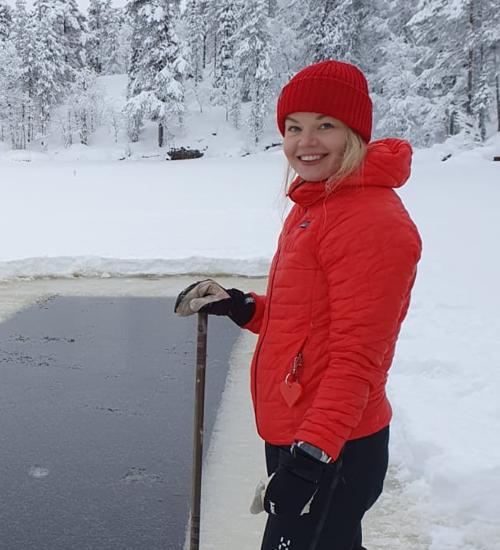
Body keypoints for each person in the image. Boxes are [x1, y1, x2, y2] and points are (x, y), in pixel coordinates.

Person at [174, 60, 422, 550]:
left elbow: (358, 360)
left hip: (334, 447)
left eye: (325, 126)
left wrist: (310, 458)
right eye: (294, 127)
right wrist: (243, 306)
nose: (305, 142)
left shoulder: (370, 220)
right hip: (306, 434)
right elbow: (309, 322)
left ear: (354, 133)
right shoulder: (318, 204)